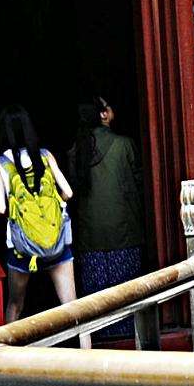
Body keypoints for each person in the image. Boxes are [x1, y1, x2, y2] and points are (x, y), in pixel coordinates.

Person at [0, 105, 87, 348]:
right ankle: (90, 358)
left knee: (15, 305)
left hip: (22, 249)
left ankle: (8, 360)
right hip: (57, 242)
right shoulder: (45, 155)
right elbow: (68, 192)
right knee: (74, 307)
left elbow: (1, 208)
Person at [68, 97, 145, 295]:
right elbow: (139, 185)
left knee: (98, 301)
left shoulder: (76, 151)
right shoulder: (124, 145)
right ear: (103, 115)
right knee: (127, 296)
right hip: (124, 235)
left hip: (90, 238)